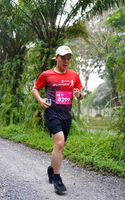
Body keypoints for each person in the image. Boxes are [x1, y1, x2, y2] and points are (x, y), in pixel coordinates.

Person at [32, 45, 84, 193]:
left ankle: (51, 168)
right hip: (51, 112)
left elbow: (80, 95)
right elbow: (35, 88)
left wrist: (78, 95)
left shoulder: (74, 75)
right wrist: (40, 100)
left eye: (69, 58)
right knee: (59, 143)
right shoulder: (46, 75)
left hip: (66, 115)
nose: (66, 61)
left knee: (60, 146)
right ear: (57, 58)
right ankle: (57, 179)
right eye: (63, 58)